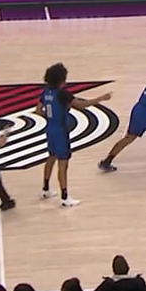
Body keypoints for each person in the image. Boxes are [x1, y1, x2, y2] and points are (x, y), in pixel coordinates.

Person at [38, 63, 111, 206]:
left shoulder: (46, 92)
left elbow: (38, 110)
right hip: (61, 132)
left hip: (50, 129)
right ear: (62, 79)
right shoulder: (63, 94)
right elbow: (82, 105)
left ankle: (45, 189)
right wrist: (100, 98)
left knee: (51, 157)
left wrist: (51, 116)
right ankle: (65, 197)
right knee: (63, 164)